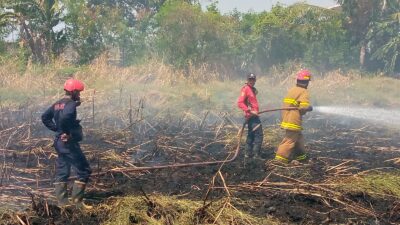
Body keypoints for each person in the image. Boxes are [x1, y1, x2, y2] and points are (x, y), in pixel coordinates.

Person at [41, 78, 92, 208]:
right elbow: (65, 117)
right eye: (78, 92)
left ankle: (63, 203)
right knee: (84, 170)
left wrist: (57, 129)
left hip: (59, 142)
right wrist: (66, 132)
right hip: (68, 143)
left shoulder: (57, 104)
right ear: (73, 91)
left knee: (63, 171)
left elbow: (45, 117)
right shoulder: (70, 104)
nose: (79, 95)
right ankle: (78, 203)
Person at [274, 69, 313, 164]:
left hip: (287, 117)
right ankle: (280, 159)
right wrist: (309, 108)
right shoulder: (303, 92)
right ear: (307, 82)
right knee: (290, 140)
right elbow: (302, 108)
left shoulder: (293, 90)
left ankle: (301, 157)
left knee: (298, 138)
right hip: (293, 120)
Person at [237, 73, 263, 160]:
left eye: (253, 79)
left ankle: (247, 154)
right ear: (247, 80)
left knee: (251, 134)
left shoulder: (252, 89)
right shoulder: (245, 89)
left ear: (255, 80)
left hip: (253, 115)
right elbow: (240, 103)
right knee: (259, 134)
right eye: (250, 80)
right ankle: (256, 155)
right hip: (251, 116)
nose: (251, 81)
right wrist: (250, 111)